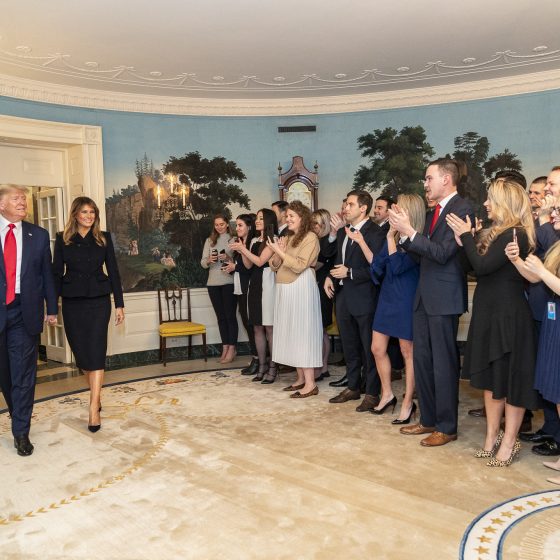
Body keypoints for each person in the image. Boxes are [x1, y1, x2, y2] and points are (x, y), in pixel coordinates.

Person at [447, 178, 538, 466]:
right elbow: (472, 268)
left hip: (507, 316)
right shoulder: (496, 232)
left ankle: (509, 442)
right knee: (491, 379)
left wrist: (467, 237)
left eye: (490, 199)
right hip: (489, 313)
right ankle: (491, 437)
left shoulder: (516, 234)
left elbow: (484, 266)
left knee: (511, 382)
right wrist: (464, 241)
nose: (485, 204)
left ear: (504, 203)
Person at [389, 158, 473, 447]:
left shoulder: (462, 208)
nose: (425, 184)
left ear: (446, 179)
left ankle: (447, 427)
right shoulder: (432, 212)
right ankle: (428, 419)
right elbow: (422, 255)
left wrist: (410, 232)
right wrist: (404, 235)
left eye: (429, 178)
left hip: (444, 299)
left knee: (443, 365)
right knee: (423, 361)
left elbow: (443, 253)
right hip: (424, 297)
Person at [52, 196, 124, 433]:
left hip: (98, 301)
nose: (89, 216)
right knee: (83, 356)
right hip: (72, 302)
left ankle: (93, 407)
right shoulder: (62, 239)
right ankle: (96, 394)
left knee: (96, 351)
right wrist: (51, 307)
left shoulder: (103, 238)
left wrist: (120, 304)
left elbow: (113, 271)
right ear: (75, 214)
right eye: (84, 212)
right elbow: (55, 274)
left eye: (92, 212)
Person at [0, 184, 58, 456]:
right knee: (5, 373)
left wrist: (52, 307)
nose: (23, 202)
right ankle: (18, 413)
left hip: (26, 311)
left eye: (24, 199)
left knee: (23, 374)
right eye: (16, 199)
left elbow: (47, 275)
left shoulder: (39, 235)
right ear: (1, 204)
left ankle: (21, 432)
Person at [325, 190, 386, 412]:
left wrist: (349, 273)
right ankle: (352, 387)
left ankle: (372, 393)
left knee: (370, 349)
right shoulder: (344, 231)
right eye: (345, 204)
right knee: (349, 346)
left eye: (350, 204)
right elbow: (337, 260)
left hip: (365, 298)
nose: (345, 208)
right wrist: (330, 277)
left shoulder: (375, 233)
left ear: (363, 208)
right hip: (343, 297)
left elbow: (378, 269)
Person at [506, 238, 560, 483]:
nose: (552, 218)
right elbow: (537, 278)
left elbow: (543, 275)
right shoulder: (557, 246)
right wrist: (516, 260)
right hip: (554, 321)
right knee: (556, 395)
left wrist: (541, 270)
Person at [370, 194, 424, 422]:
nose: (393, 212)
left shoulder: (417, 241)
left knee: (407, 352)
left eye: (398, 209)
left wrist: (390, 241)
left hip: (405, 299)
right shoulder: (393, 237)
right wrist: (390, 240)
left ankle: (408, 401)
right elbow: (377, 266)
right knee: (377, 348)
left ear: (409, 213)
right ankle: (387, 393)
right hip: (387, 297)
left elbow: (397, 267)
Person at [268, 201, 322, 396]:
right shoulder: (289, 237)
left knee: (302, 333)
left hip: (301, 287)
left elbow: (300, 266)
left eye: (292, 216)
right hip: (285, 288)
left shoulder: (310, 237)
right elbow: (274, 265)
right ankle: (300, 379)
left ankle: (311, 384)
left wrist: (281, 252)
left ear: (302, 218)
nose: (287, 219)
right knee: (291, 333)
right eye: (287, 215)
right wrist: (278, 253)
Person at [230, 209, 277, 382]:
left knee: (269, 328)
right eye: (257, 218)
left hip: (268, 283)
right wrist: (243, 248)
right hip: (254, 283)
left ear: (269, 221)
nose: (257, 221)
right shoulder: (255, 240)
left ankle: (273, 366)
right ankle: (262, 365)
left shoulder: (273, 239)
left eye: (261, 218)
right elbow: (249, 265)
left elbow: (260, 261)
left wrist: (243, 248)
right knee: (257, 326)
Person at [222, 214, 259, 375]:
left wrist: (235, 266)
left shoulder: (253, 243)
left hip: (251, 288)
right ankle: (256, 358)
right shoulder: (240, 243)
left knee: (253, 326)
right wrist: (231, 265)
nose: (236, 228)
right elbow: (241, 266)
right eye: (236, 225)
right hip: (240, 288)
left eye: (240, 225)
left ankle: (259, 359)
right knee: (247, 324)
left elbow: (250, 267)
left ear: (249, 227)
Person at [201, 214, 237, 364]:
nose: (219, 227)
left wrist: (227, 258)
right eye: (216, 225)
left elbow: (239, 263)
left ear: (227, 224)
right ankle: (225, 347)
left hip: (229, 282)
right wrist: (209, 260)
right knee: (221, 318)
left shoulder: (234, 239)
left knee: (230, 317)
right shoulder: (209, 240)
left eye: (222, 224)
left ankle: (232, 349)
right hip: (213, 284)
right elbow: (203, 263)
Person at [311, 209, 336, 381]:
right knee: (320, 331)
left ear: (324, 224)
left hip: (324, 287)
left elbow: (316, 264)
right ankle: (321, 367)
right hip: (316, 285)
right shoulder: (318, 240)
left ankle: (322, 367)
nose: (313, 226)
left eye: (316, 223)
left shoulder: (328, 242)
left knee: (321, 330)